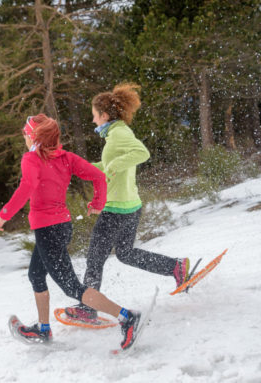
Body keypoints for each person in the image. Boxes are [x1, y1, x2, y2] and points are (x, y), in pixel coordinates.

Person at [0, 113, 142, 350]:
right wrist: (98, 203)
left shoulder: (31, 159)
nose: (23, 135)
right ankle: (43, 329)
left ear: (34, 137)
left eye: (25, 132)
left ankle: (127, 317)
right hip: (62, 227)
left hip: (48, 230)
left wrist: (4, 215)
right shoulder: (65, 158)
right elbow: (98, 177)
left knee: (72, 288)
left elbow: (27, 186)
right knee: (36, 275)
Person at [65, 84, 191, 322]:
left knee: (94, 257)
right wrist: (82, 168)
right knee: (125, 253)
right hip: (129, 206)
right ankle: (176, 267)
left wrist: (112, 166)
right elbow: (111, 164)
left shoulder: (119, 133)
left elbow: (142, 153)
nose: (92, 120)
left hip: (116, 209)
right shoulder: (116, 132)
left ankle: (87, 307)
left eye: (94, 115)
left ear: (104, 115)